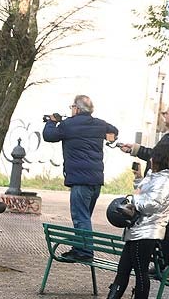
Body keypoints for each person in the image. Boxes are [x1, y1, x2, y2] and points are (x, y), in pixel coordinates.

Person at [84, 146, 169, 299]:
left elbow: (152, 203)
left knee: (140, 271)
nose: (151, 161)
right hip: (137, 229)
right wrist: (138, 179)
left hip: (148, 231)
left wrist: (132, 200)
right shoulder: (156, 177)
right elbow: (145, 192)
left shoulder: (165, 181)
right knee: (123, 269)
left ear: (161, 160)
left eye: (153, 158)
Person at [118, 101, 169, 279]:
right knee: (160, 227)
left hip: (166, 190)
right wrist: (135, 149)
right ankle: (163, 264)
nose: (164, 116)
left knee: (168, 227)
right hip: (158, 187)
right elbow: (157, 155)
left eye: (165, 114)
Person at [42, 95, 119, 260]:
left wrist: (51, 121)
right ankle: (80, 246)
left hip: (80, 180)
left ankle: (84, 252)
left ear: (76, 109)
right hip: (96, 180)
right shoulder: (99, 124)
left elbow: (49, 135)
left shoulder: (68, 124)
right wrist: (109, 137)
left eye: (72, 107)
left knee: (81, 217)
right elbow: (114, 130)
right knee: (85, 217)